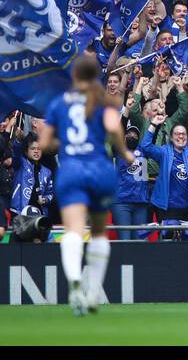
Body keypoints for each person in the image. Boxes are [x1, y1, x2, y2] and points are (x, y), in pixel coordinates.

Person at [37, 57, 134, 316]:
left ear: (74, 76)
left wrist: (66, 143)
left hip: (71, 171)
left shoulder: (59, 103)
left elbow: (44, 143)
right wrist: (124, 152)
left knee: (74, 230)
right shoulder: (103, 101)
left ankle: (75, 282)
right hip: (100, 170)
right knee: (99, 232)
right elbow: (114, 127)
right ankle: (93, 292)